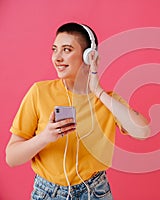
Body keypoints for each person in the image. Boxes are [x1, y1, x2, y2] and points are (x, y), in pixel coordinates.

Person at [5, 22, 150, 200]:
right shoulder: (39, 92)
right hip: (47, 193)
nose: (57, 58)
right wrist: (45, 137)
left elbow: (143, 131)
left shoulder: (107, 100)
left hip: (96, 192)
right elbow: (11, 158)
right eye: (54, 49)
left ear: (89, 56)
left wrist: (98, 91)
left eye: (66, 50)